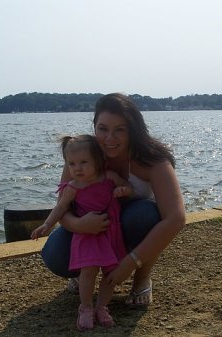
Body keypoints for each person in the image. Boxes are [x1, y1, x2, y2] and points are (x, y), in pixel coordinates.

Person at [41, 93, 186, 308]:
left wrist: (129, 263)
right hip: (90, 226)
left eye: (120, 129)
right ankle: (84, 272)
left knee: (146, 215)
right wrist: (81, 225)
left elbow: (175, 218)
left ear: (133, 129)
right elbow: (64, 207)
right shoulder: (81, 154)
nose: (110, 139)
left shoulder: (153, 160)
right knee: (55, 254)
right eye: (103, 129)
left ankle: (142, 278)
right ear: (94, 126)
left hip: (129, 223)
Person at [31, 134, 133, 331]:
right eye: (72, 163)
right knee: (89, 271)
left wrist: (123, 191)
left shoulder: (108, 177)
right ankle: (85, 307)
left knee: (111, 272)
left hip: (110, 232)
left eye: (84, 162)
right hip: (87, 235)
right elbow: (60, 208)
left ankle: (102, 306)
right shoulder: (72, 188)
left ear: (98, 160)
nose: (77, 168)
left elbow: (127, 186)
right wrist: (47, 225)